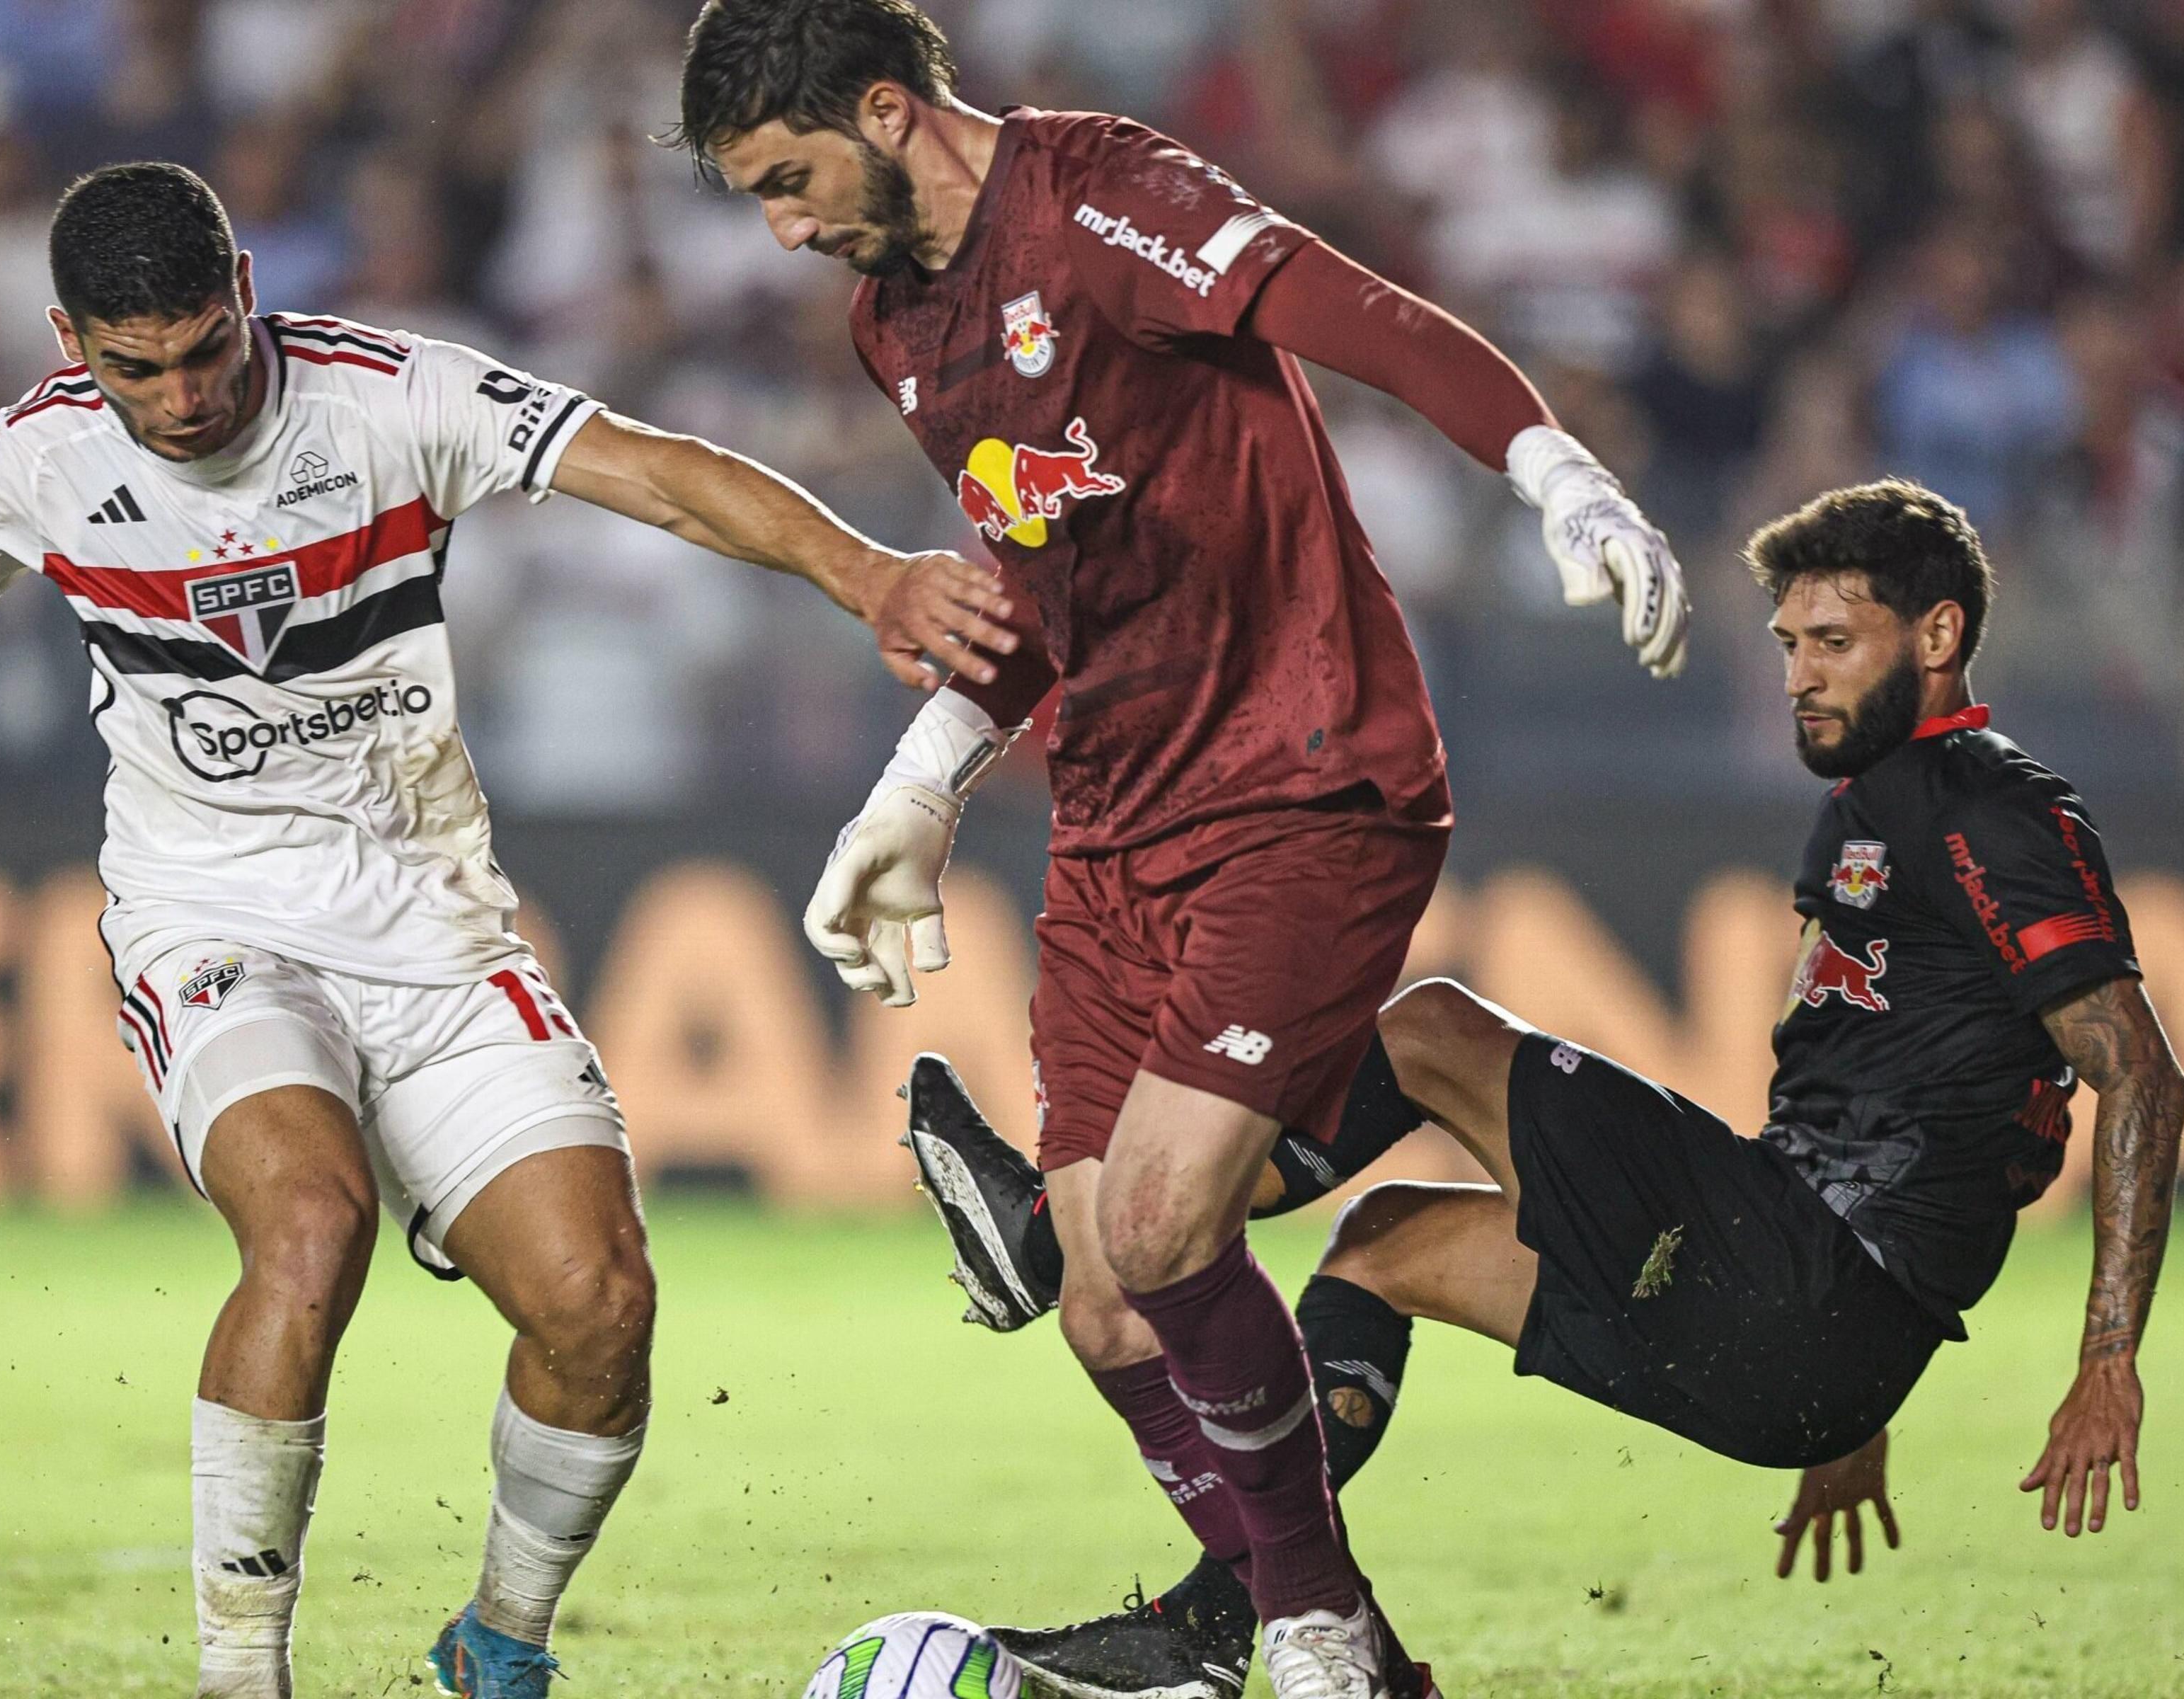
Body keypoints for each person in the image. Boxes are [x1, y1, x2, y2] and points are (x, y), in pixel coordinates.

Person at [0, 162, 1017, 1699]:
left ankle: (502, 1640)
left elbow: (657, 469)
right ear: (70, 340)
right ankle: (243, 1681)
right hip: (210, 917)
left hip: (434, 922)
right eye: (133, 365)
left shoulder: (385, 395)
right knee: (309, 1228)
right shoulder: (32, 462)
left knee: (600, 1304)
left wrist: (868, 572)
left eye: (207, 348)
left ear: (243, 284)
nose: (180, 397)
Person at [667, 4, 1691, 1696]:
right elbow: (1039, 576)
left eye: (790, 181)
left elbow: (1350, 310)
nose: (783, 230)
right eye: (753, 202)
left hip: (1305, 781)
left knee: (1152, 1229)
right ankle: (1360, 1658)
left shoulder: (1092, 196)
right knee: (1104, 1306)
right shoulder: (893, 325)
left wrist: (1546, 462)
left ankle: (1303, 1630)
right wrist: (920, 786)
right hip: (1116, 825)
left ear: (885, 108)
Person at [895, 481, 2184, 1686]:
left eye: (1833, 642)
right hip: (1808, 1334)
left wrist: (2108, 1361)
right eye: (1789, 643)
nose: (1798, 676)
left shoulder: (1990, 810)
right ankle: (1220, 1627)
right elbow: (1922, 1100)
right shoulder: (1875, 803)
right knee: (1381, 1246)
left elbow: (2138, 1076)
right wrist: (1843, 1394)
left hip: (1818, 1283)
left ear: (1941, 632)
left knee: (1432, 1030)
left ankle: (1095, 1250)